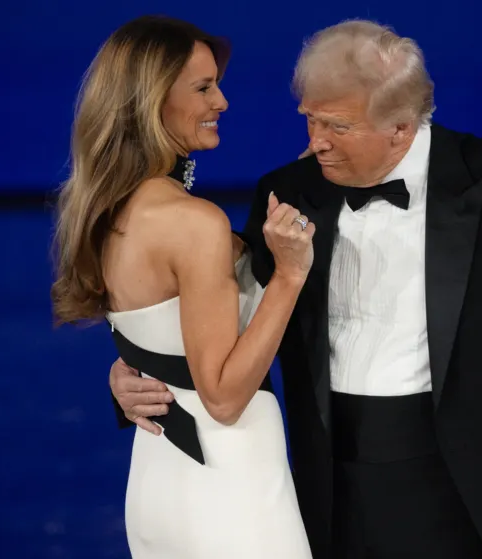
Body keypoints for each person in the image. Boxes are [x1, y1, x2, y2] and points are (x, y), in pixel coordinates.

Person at [110, 19, 482, 559]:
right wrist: (133, 375)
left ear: (401, 126)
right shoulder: (288, 191)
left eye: (339, 127)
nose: (317, 143)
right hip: (343, 488)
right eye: (311, 121)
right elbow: (225, 315)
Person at [50, 15, 315, 559]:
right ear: (151, 101)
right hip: (228, 485)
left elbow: (157, 336)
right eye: (203, 87)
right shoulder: (193, 221)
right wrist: (289, 275)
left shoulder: (109, 208)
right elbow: (221, 397)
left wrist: (124, 377)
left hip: (161, 477)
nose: (222, 102)